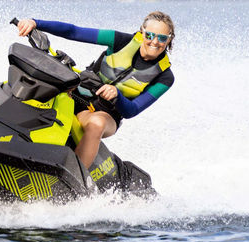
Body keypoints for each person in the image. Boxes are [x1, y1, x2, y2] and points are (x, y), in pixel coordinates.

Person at [14, 12, 175, 174]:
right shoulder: (120, 41)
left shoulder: (165, 76)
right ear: (142, 32)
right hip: (75, 95)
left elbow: (132, 110)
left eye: (162, 38)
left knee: (96, 124)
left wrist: (117, 95)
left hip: (106, 114)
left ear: (169, 39)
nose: (155, 42)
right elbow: (74, 32)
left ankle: (73, 179)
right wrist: (35, 23)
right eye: (150, 35)